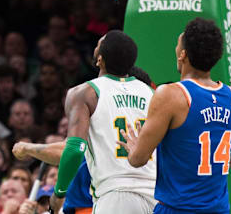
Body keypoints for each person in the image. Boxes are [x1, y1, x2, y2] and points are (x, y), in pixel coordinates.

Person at [117, 18, 231, 214]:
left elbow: (138, 160)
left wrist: (134, 147)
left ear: (182, 54)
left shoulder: (171, 95)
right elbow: (228, 161)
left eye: (177, 45)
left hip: (178, 209)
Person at [51, 30, 156, 213]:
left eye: (98, 44)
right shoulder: (151, 93)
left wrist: (59, 193)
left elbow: (75, 149)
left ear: (100, 60)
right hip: (155, 195)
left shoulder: (84, 93)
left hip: (116, 195)